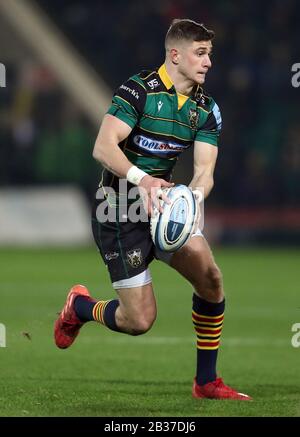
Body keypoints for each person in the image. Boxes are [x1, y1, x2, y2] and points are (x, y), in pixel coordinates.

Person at [54, 18, 251, 400]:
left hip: (164, 210)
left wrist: (191, 201)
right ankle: (79, 307)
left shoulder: (206, 109)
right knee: (138, 321)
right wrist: (144, 181)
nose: (208, 62)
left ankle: (206, 382)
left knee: (210, 279)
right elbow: (103, 146)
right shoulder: (138, 91)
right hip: (119, 210)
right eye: (200, 53)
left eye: (210, 53)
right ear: (175, 55)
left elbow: (205, 172)